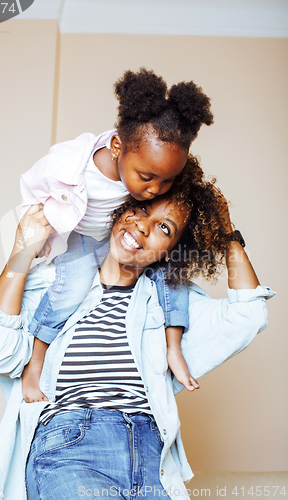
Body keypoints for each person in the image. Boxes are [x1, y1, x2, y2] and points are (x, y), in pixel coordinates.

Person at [0, 164, 275, 500]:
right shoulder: (53, 286)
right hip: (71, 449)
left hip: (151, 459)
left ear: (171, 251)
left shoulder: (171, 309)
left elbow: (248, 315)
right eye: (140, 209)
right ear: (121, 208)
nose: (142, 227)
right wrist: (21, 251)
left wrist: (226, 233)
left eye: (163, 227)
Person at [19, 68, 214, 401]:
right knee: (73, 286)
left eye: (166, 181)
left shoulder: (144, 178)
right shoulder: (70, 168)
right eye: (147, 177)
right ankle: (36, 362)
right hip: (80, 239)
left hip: (118, 235)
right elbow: (31, 183)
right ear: (116, 146)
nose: (155, 190)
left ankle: (173, 347)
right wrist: (35, 228)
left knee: (173, 269)